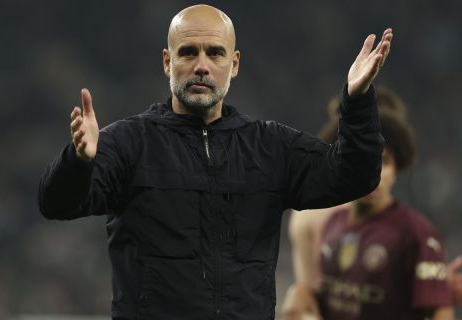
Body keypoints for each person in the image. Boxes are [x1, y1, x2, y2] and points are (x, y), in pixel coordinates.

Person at [38, 4, 393, 319]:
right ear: (167, 62)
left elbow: (354, 176)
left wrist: (357, 100)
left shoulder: (269, 146)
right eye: (188, 52)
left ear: (234, 63)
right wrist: (79, 161)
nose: (202, 66)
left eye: (215, 53)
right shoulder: (129, 143)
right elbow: (56, 203)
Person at [282, 96, 454, 319]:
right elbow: (316, 296)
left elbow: (439, 311)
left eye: (384, 161)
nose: (374, 171)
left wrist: (434, 286)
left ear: (398, 168)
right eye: (364, 159)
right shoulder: (329, 222)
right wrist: (300, 294)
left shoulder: (416, 233)